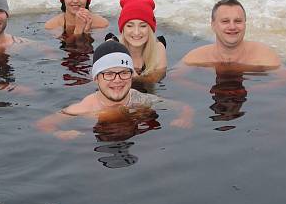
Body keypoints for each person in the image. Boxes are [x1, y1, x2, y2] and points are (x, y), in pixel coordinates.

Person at [37, 40, 192, 140]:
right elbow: (43, 124)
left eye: (124, 72)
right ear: (96, 78)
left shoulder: (139, 99)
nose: (117, 80)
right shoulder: (85, 108)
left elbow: (183, 107)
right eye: (109, 74)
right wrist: (60, 133)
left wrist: (184, 118)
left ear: (132, 76)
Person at [181, 0, 281, 68]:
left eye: (238, 21)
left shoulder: (264, 56)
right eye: (225, 21)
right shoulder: (197, 57)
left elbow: (285, 81)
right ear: (213, 25)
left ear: (245, 24)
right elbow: (174, 78)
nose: (232, 27)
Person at [113, 0, 167, 81]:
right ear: (123, 28)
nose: (136, 32)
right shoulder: (112, 47)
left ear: (150, 29)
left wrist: (136, 78)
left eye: (143, 26)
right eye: (130, 26)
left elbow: (157, 79)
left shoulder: (158, 48)